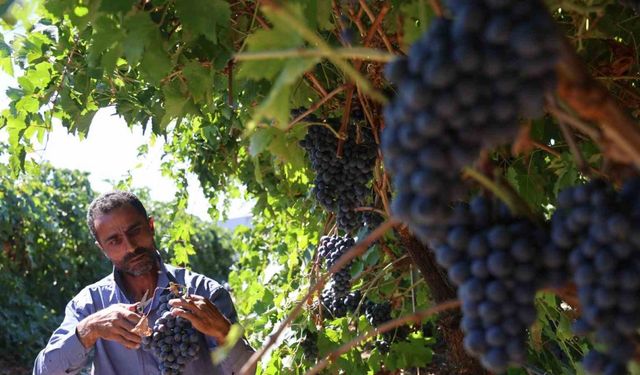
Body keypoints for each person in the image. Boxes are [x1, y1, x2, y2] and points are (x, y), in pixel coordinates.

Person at [33, 191, 256, 375]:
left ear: (151, 226)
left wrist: (223, 331)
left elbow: (250, 370)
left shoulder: (205, 292)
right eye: (114, 241)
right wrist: (88, 330)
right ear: (102, 248)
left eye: (135, 231)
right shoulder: (90, 305)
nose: (130, 247)